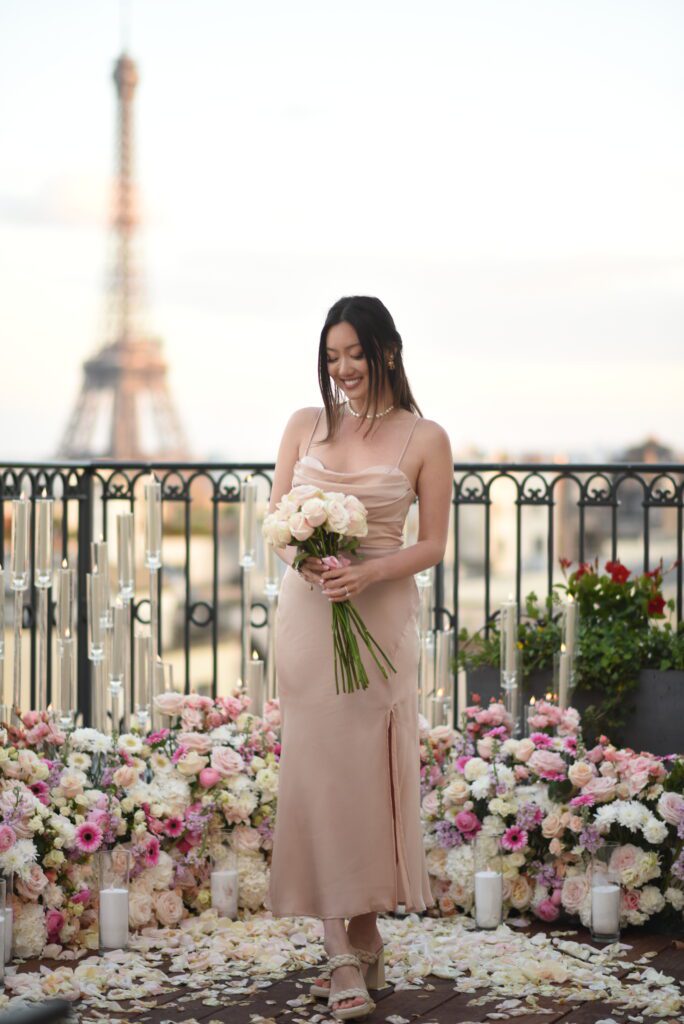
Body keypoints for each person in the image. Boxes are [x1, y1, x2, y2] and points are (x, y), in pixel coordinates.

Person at [264, 296, 452, 1021]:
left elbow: (430, 544)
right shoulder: (303, 425)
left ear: (388, 352)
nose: (342, 370)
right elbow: (278, 522)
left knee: (366, 776)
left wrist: (366, 571)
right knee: (316, 773)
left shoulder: (426, 437)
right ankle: (339, 946)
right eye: (332, 356)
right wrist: (311, 565)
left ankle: (367, 933)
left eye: (355, 355)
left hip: (380, 615)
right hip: (311, 618)